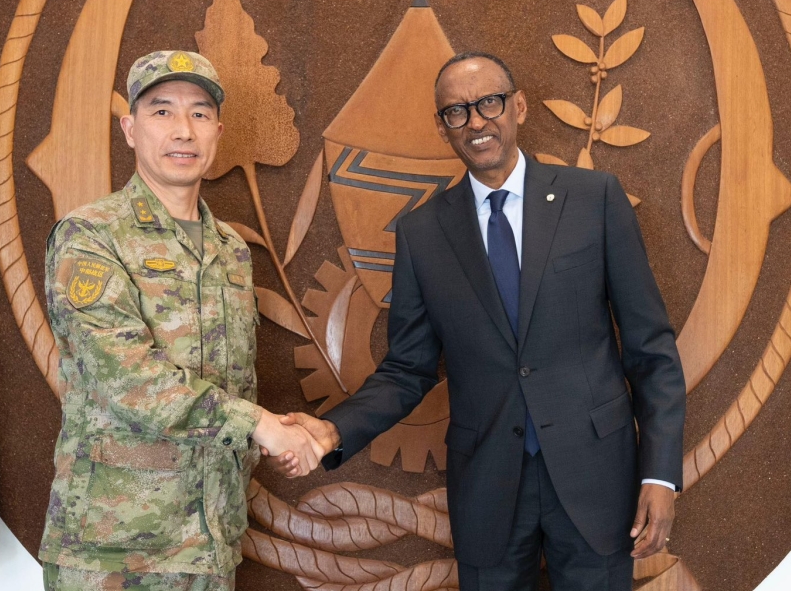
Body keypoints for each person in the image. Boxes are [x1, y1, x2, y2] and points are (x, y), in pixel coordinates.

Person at [271, 53, 686, 589]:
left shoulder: (594, 200)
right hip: (488, 486)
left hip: (597, 478)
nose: (475, 122)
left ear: (518, 106)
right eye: (456, 112)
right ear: (443, 128)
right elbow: (407, 370)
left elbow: (651, 350)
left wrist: (660, 475)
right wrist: (332, 431)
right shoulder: (422, 234)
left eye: (488, 102)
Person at [38, 50, 324, 591]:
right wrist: (257, 424)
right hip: (117, 550)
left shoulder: (231, 250)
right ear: (130, 129)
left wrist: (274, 437)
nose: (183, 130)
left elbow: (229, 384)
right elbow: (129, 381)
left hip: (212, 538)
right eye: (161, 111)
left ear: (217, 131)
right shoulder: (91, 236)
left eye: (198, 113)